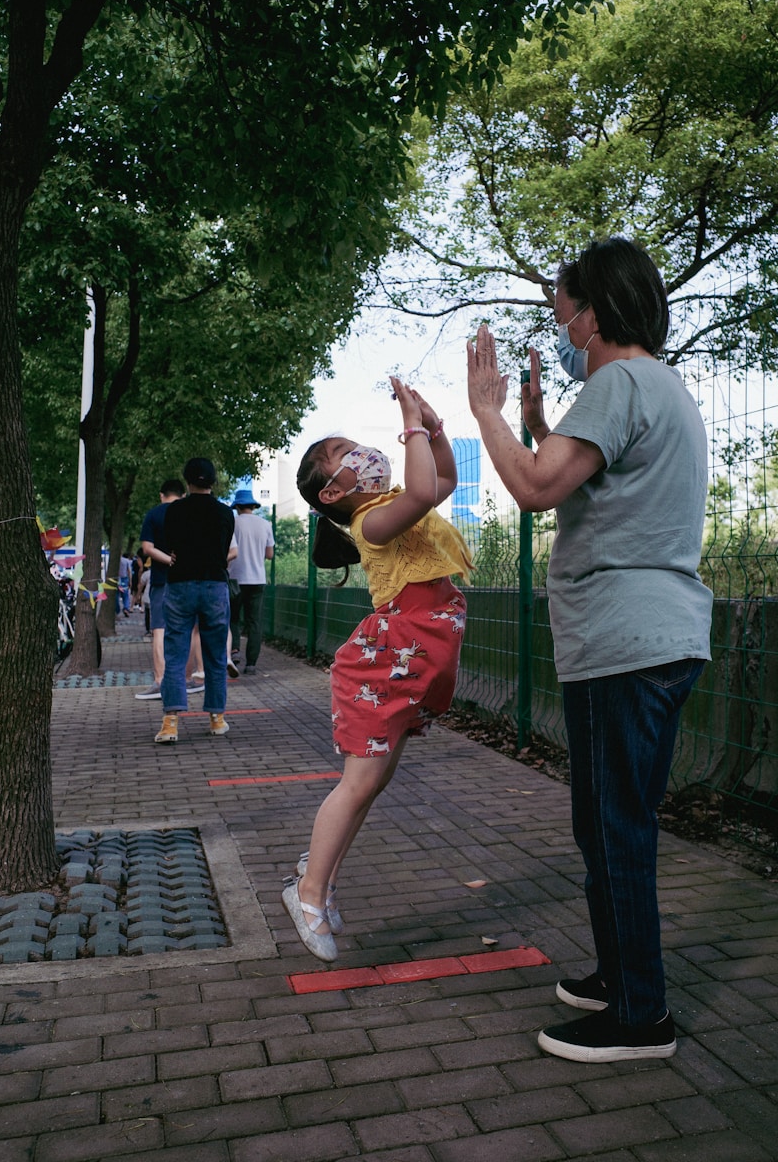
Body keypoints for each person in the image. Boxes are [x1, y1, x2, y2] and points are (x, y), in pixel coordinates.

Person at [466, 236, 713, 1063]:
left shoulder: (617, 382)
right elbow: (590, 477)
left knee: (616, 827)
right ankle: (617, 975)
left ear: (594, 313)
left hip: (623, 640)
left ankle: (642, 1015)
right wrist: (539, 422)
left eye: (564, 309)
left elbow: (536, 489)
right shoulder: (659, 386)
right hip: (654, 634)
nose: (560, 325)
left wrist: (489, 413)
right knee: (604, 820)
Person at [282, 377, 473, 961]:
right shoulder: (370, 523)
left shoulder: (390, 506)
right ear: (332, 493)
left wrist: (435, 429)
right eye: (344, 455)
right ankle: (308, 892)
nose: (360, 455)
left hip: (411, 662)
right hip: (383, 665)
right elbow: (421, 490)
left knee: (375, 781)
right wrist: (412, 425)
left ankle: (319, 874)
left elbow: (443, 480)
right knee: (360, 781)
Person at [155, 457, 237, 743]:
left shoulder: (174, 510)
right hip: (215, 584)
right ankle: (217, 718)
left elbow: (171, 545)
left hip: (180, 585)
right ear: (213, 481)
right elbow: (225, 549)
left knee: (175, 653)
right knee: (215, 654)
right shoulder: (226, 513)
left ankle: (170, 723)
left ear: (187, 481)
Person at [136, 479, 205, 700]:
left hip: (160, 581)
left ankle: (160, 681)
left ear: (161, 495)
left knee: (159, 630)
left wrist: (168, 560)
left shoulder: (154, 514)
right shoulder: (192, 514)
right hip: (188, 579)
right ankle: (185, 681)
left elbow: (147, 548)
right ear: (183, 494)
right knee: (189, 630)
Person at [227, 488, 275, 675]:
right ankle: (252, 664)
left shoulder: (232, 522)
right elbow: (269, 554)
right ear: (253, 506)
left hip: (234, 578)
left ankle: (234, 651)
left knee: (233, 619)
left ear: (237, 506)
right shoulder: (265, 524)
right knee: (254, 621)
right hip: (257, 579)